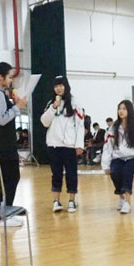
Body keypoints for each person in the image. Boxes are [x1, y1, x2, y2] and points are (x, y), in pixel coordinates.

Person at [0, 61, 27, 227]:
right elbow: (3, 119)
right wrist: (17, 107)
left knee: (8, 178)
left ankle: (5, 213)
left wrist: (15, 103)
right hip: (4, 146)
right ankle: (5, 214)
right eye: (10, 77)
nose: (11, 80)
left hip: (5, 144)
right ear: (1, 76)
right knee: (10, 178)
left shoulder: (1, 94)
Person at [40, 75, 85, 213]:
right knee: (56, 174)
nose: (58, 88)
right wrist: (53, 107)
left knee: (71, 174)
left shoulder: (75, 103)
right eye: (56, 86)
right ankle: (56, 201)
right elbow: (44, 122)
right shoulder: (50, 103)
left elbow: (80, 125)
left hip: (69, 146)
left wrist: (79, 144)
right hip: (54, 145)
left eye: (61, 85)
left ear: (66, 86)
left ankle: (71, 201)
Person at [101, 100, 134, 214]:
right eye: (119, 109)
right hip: (118, 158)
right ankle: (121, 198)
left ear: (129, 110)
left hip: (132, 158)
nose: (121, 111)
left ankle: (127, 202)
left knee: (127, 171)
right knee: (115, 172)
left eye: (124, 109)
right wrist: (105, 164)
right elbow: (108, 146)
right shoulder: (114, 127)